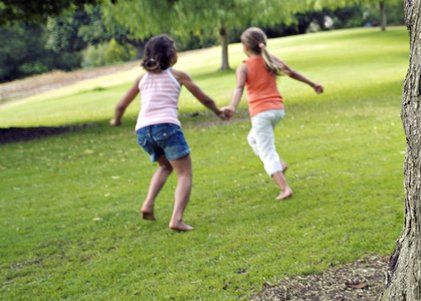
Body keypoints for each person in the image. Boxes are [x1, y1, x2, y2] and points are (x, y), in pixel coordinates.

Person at [110, 35, 228, 231]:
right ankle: (177, 219)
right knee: (184, 174)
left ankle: (148, 203)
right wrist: (218, 112)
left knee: (165, 166)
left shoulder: (142, 79)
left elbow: (121, 105)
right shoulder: (177, 75)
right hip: (166, 127)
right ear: (171, 55)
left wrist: (116, 120)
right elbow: (204, 99)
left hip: (143, 131)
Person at [223, 27, 323, 200]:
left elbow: (239, 88)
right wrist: (313, 84)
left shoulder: (244, 67)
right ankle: (280, 165)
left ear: (245, 47)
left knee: (267, 151)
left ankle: (285, 188)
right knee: (253, 139)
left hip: (261, 113)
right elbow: (292, 72)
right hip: (277, 110)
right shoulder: (270, 59)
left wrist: (232, 106)